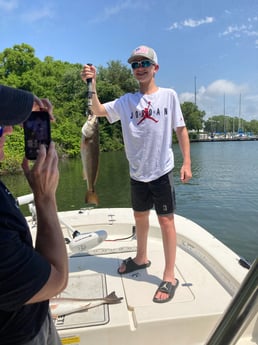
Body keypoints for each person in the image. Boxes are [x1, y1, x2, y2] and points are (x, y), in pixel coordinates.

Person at [81, 45, 192, 303]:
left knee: (166, 221)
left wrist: (186, 162)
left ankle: (168, 275)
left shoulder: (169, 96)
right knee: (139, 217)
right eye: (135, 64)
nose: (139, 68)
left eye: (144, 63)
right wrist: (92, 82)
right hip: (137, 172)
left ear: (155, 68)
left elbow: (181, 130)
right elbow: (97, 110)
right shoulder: (126, 101)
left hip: (161, 170)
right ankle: (141, 258)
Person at [0, 85, 68, 344]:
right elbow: (57, 279)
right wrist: (45, 197)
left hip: (34, 318)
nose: (9, 129)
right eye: (0, 125)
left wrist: (27, 107)